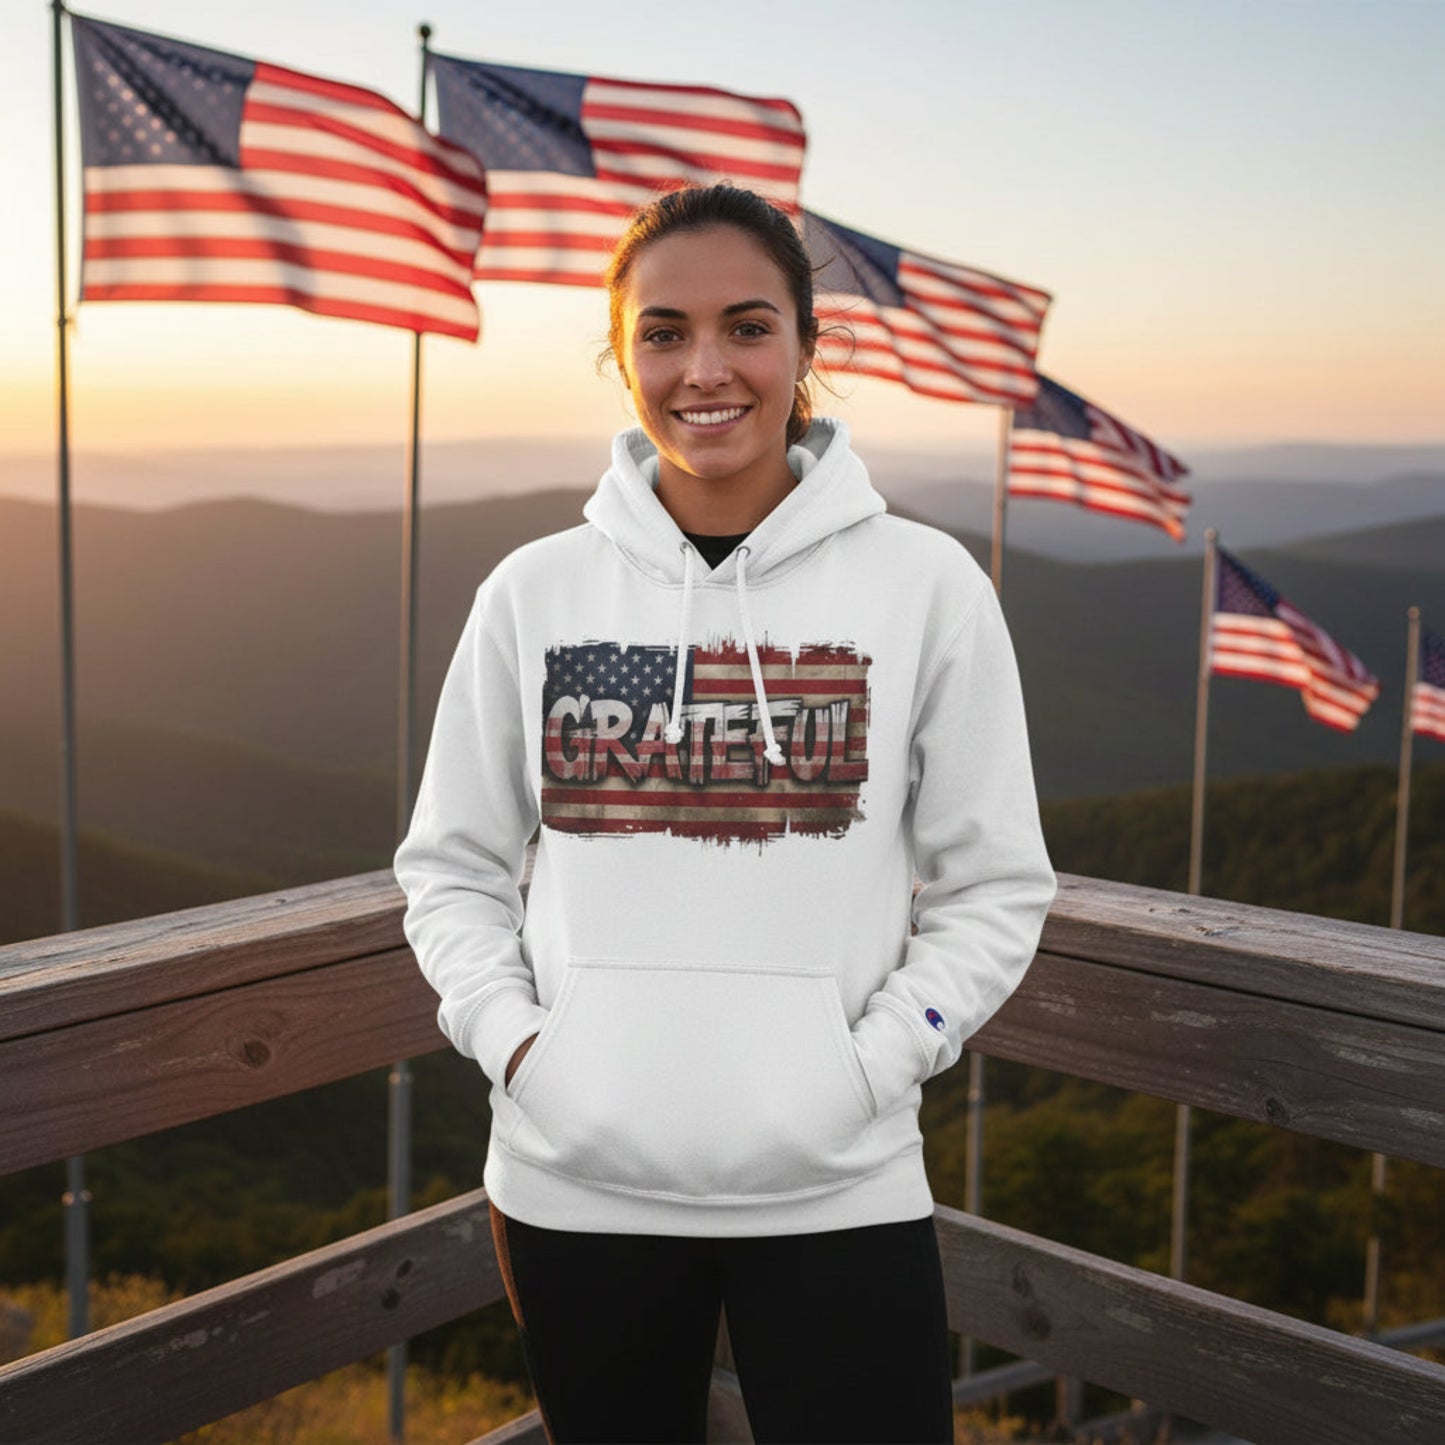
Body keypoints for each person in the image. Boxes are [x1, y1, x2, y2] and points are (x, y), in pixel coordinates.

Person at [393, 182, 1056, 1444]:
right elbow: (452, 866)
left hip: (838, 1185)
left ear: (807, 346)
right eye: (663, 332)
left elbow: (994, 883)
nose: (705, 368)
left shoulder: (924, 587)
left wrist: (870, 1061)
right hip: (573, 1187)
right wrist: (525, 1047)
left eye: (746, 326)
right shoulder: (534, 592)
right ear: (620, 356)